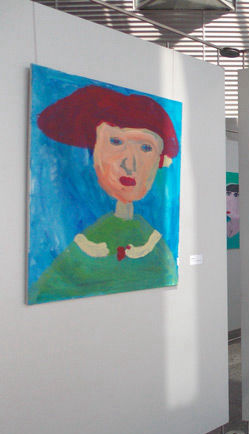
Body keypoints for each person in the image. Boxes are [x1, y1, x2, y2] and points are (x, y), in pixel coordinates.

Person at [29, 85, 179, 304]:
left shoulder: (156, 247)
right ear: (95, 151)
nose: (130, 163)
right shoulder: (81, 247)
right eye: (116, 142)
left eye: (145, 148)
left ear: (160, 161)